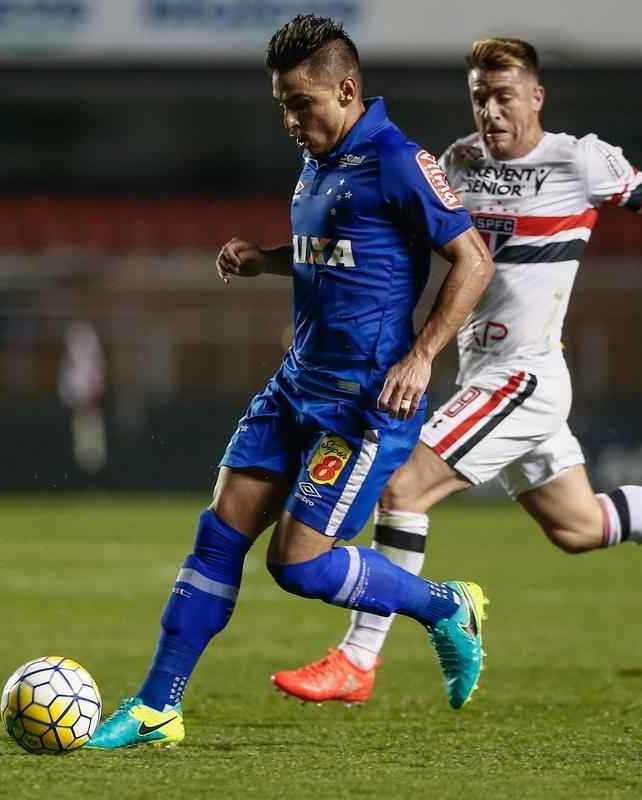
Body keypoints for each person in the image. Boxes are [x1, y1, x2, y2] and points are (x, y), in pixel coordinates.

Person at [272, 38, 642, 706]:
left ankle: (359, 660)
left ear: (536, 97)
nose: (491, 113)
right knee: (578, 527)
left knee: (404, 485)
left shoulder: (580, 159)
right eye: (480, 99)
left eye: (504, 97)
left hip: (524, 376)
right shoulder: (456, 162)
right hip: (483, 374)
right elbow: (386, 243)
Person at [87, 15, 495, 750]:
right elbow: (337, 252)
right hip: (293, 386)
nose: (289, 119)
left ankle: (444, 606)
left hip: (363, 403)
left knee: (296, 565)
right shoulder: (319, 158)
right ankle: (157, 707)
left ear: (346, 89)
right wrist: (266, 260)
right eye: (281, 104)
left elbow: (473, 260)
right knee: (217, 538)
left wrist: (423, 354)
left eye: (300, 103)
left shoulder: (400, 160)